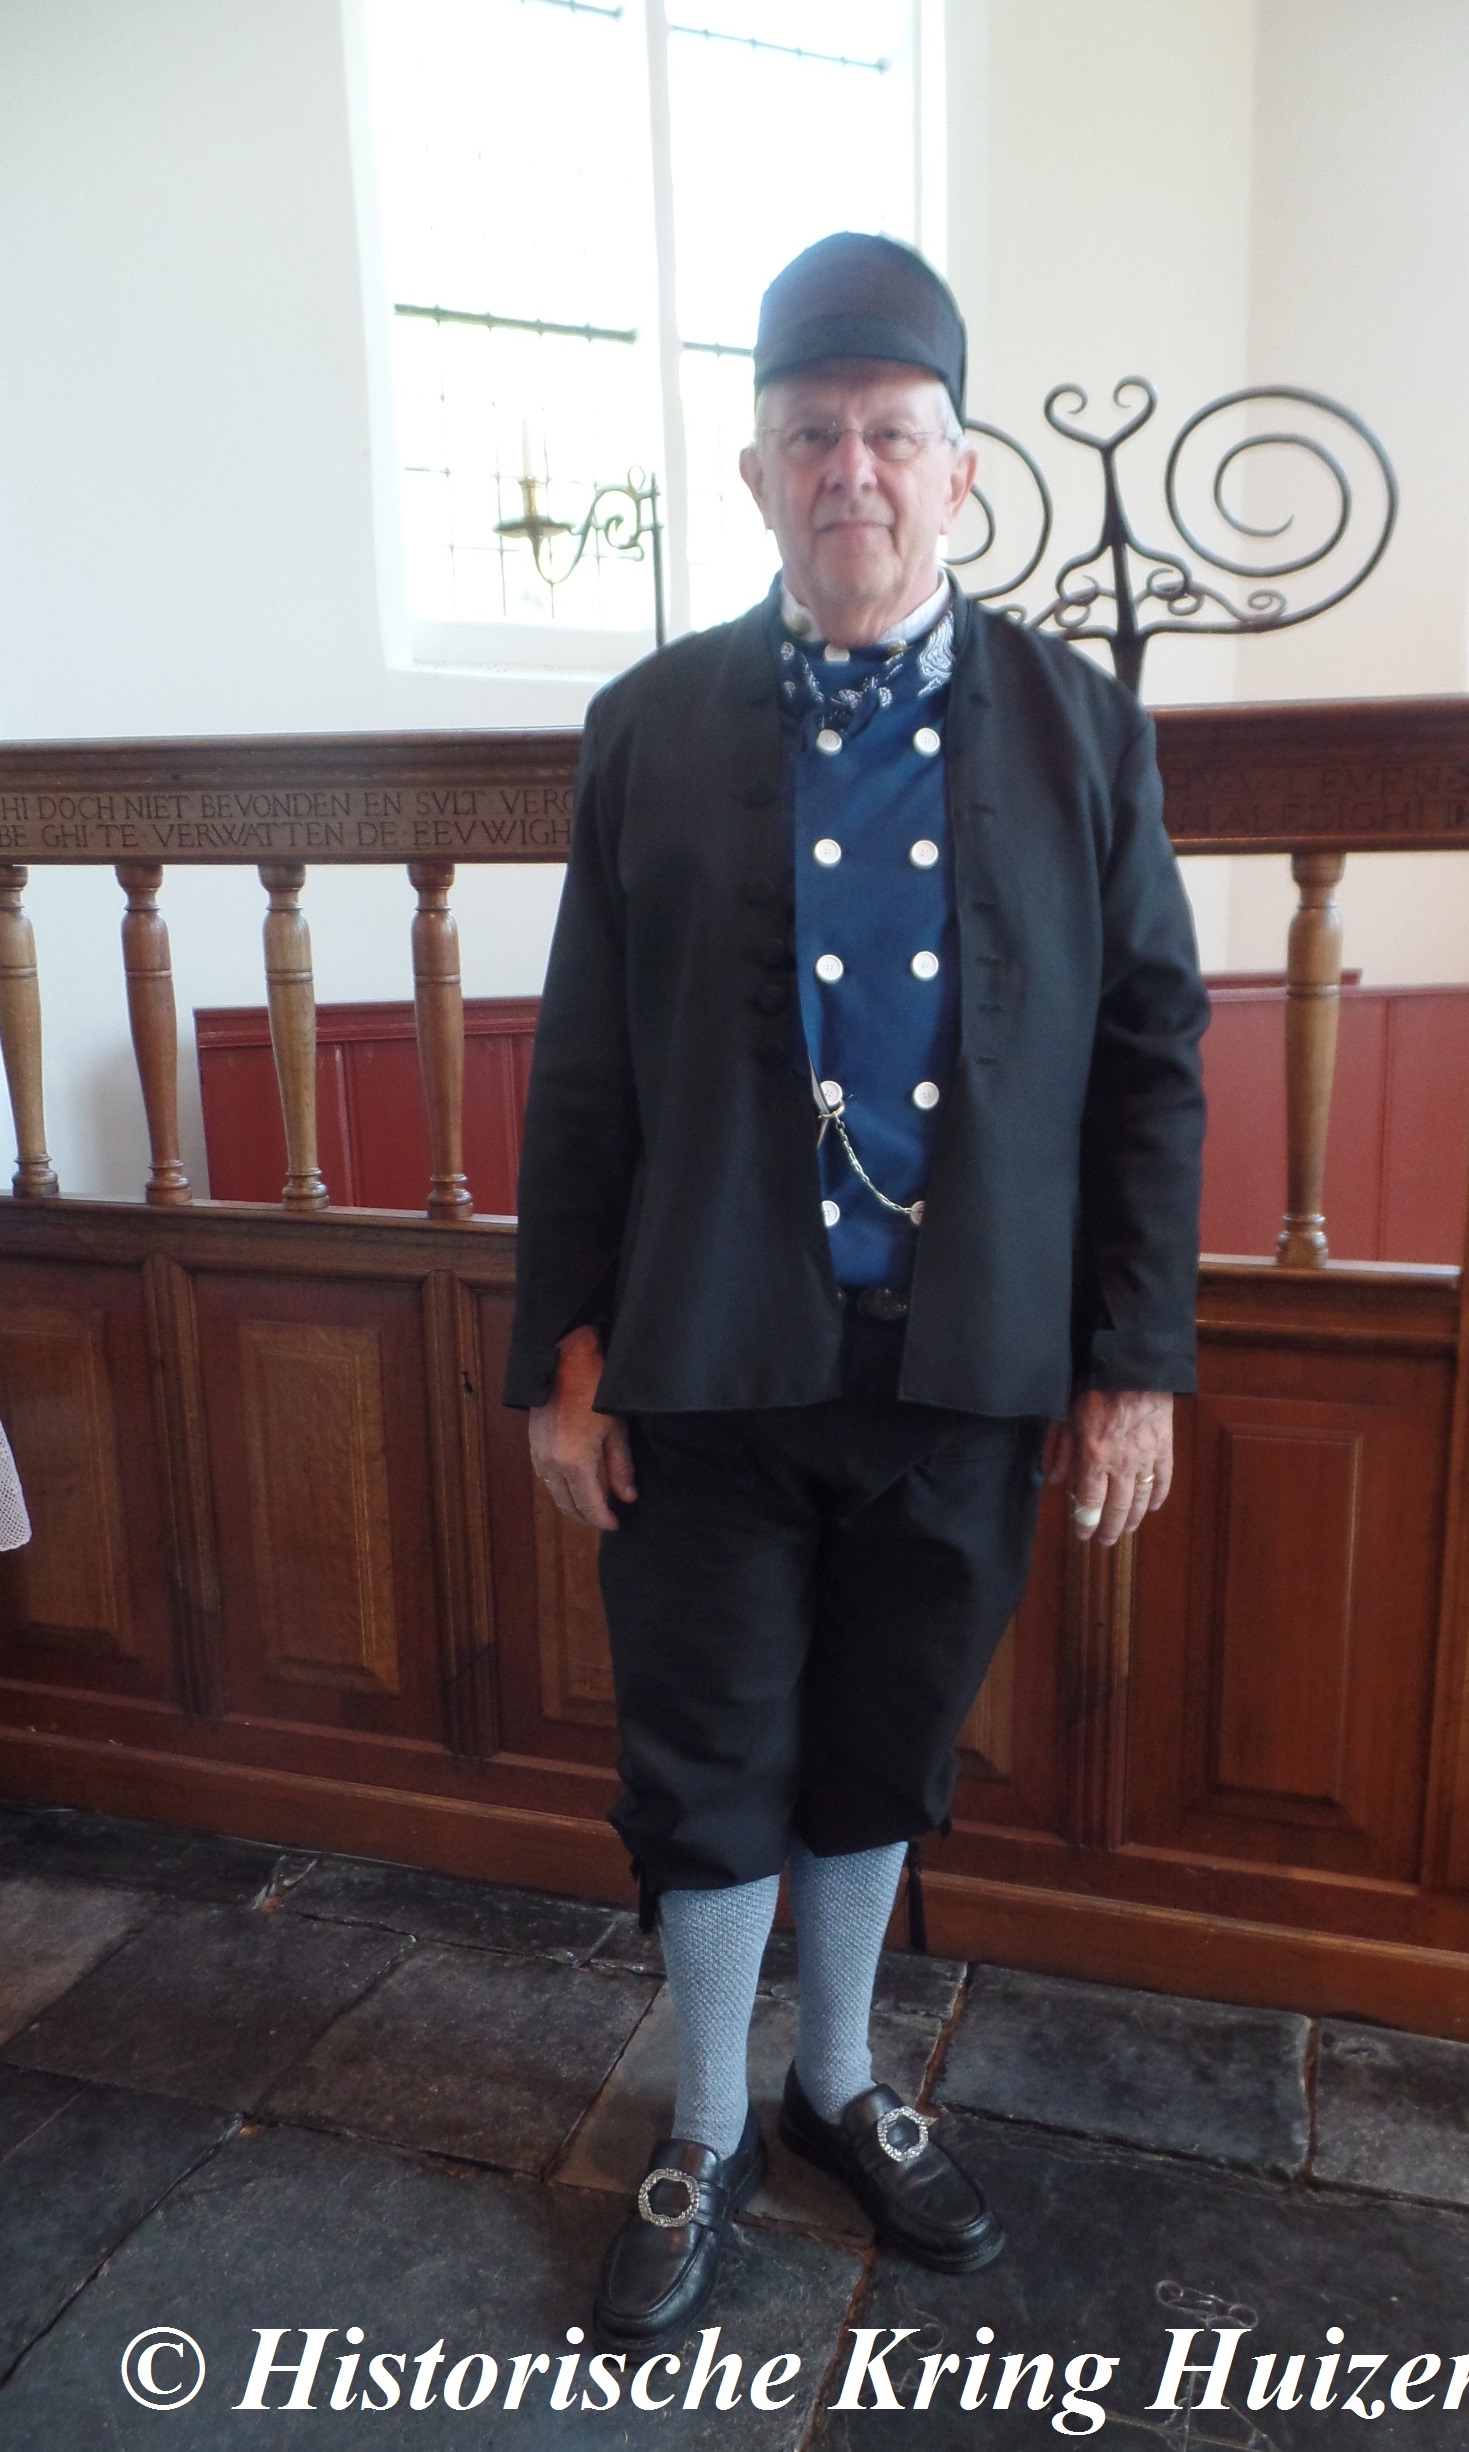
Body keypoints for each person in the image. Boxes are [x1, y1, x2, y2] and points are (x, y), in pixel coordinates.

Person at [505, 232, 1208, 2340]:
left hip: (970, 1366)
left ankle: (834, 2085)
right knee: (707, 1759)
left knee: (885, 1744)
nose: (854, 472)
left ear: (959, 472)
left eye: (894, 436)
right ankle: (712, 2124)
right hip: (708, 1361)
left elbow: (1153, 1055)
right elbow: (582, 1065)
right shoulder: (647, 727)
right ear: (757, 474)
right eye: (812, 436)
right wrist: (561, 1356)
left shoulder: (1083, 731)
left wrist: (1133, 1360)